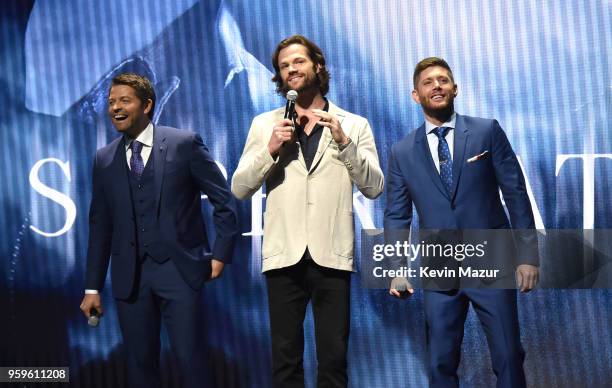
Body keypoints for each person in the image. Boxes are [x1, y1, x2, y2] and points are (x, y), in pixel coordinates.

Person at [232, 35, 384, 387]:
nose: (290, 70)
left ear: (318, 66)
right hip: (283, 255)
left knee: (333, 360)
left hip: (331, 255)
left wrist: (345, 143)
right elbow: (240, 188)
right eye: (284, 66)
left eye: (297, 62)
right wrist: (270, 149)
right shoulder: (264, 124)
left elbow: (374, 187)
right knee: (285, 363)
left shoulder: (353, 124)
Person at [384, 57, 539, 388]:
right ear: (415, 95)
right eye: (428, 82)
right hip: (439, 270)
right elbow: (397, 214)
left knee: (509, 356)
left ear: (455, 89)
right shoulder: (401, 152)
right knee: (440, 363)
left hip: (491, 263)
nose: (436, 86)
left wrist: (527, 256)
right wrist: (396, 267)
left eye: (443, 80)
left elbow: (516, 193)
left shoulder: (487, 131)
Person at [79, 73, 239, 388]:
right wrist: (92, 287)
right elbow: (100, 227)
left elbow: (225, 202)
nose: (115, 108)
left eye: (124, 100)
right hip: (130, 278)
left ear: (147, 104)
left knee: (192, 363)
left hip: (179, 270)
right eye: (111, 102)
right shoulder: (104, 158)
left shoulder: (184, 144)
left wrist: (220, 255)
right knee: (139, 368)